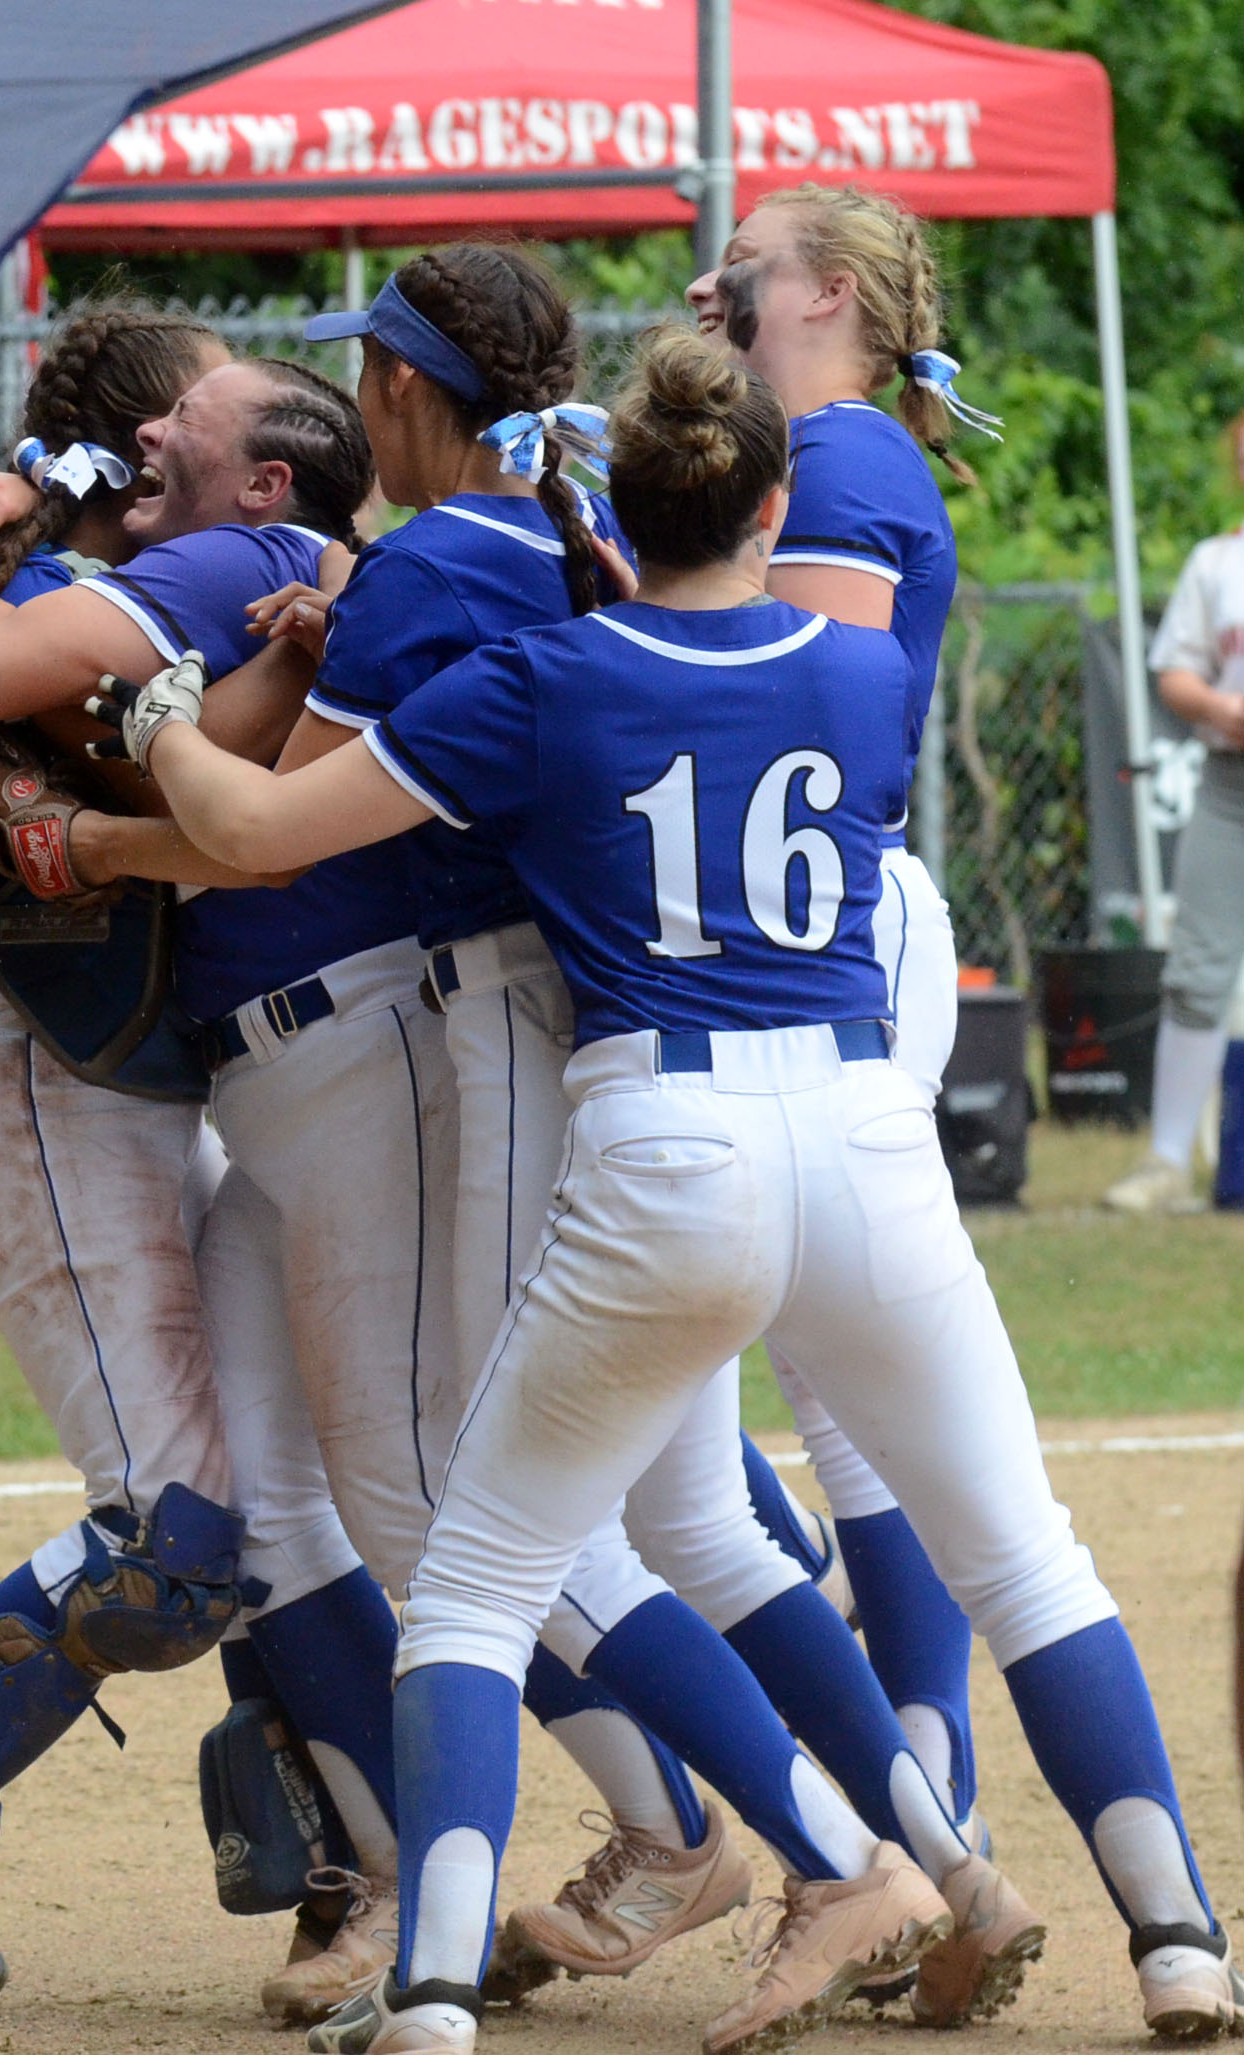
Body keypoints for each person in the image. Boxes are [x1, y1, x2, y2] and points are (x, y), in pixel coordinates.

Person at [132, 327, 1237, 2054]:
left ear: (608, 511)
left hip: (664, 1147)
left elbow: (256, 830)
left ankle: (434, 1994)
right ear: (771, 507)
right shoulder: (859, 672)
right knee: (1028, 1563)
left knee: (478, 1579)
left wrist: (157, 725)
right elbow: (740, 693)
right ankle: (1176, 1946)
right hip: (864, 1140)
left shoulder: (548, 676)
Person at [256, 243, 1028, 2028]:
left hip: (551, 1043)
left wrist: (118, 779)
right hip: (667, 1048)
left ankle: (788, 1855)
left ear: (398, 385)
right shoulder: (566, 533)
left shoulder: (465, 547)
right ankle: (932, 1857)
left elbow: (266, 825)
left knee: (491, 1513)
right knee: (694, 1516)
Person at [0, 304, 362, 2010]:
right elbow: (28, 752)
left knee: (257, 1509)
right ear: (139, 448)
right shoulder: (50, 606)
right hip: (33, 1088)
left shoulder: (100, 596)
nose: (198, 443)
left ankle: (344, 1853)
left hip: (126, 1097)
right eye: (186, 413)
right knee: (176, 1542)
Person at [675, 180, 994, 1883]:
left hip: (836, 926)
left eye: (748, 262)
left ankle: (926, 1785)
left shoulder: (844, 457)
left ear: (829, 298)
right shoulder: (799, 446)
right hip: (805, 924)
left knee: (841, 1374)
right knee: (809, 1365)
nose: (715, 281)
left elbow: (777, 701)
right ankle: (916, 1785)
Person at [1106, 418, 1244, 1213]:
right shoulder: (1217, 562)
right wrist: (1226, 707)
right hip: (1230, 783)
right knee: (1197, 972)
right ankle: (1168, 1162)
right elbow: (1176, 672)